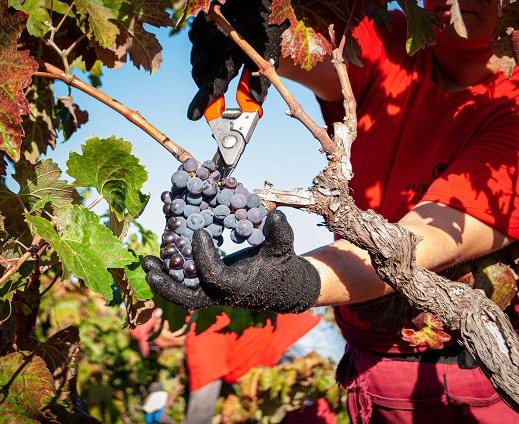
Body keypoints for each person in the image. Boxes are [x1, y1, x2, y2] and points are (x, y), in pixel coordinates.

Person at [142, 0, 519, 422]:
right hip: (367, 373)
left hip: (475, 389)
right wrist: (241, 28)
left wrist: (295, 281)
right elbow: (307, 50)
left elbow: (416, 246)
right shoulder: (395, 36)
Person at [132, 307, 344, 423]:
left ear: (162, 327)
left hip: (307, 347)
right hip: (305, 344)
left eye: (154, 343)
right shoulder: (204, 316)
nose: (158, 350)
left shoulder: (199, 336)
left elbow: (201, 411)